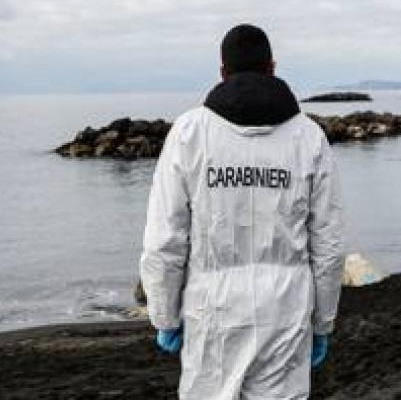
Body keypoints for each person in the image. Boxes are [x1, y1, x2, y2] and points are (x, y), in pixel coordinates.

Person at [141, 24, 345, 399]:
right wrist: (322, 324)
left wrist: (165, 315)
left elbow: (165, 238)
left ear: (222, 72)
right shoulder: (308, 137)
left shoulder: (189, 133)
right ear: (272, 68)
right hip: (286, 310)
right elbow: (328, 245)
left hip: (213, 310)